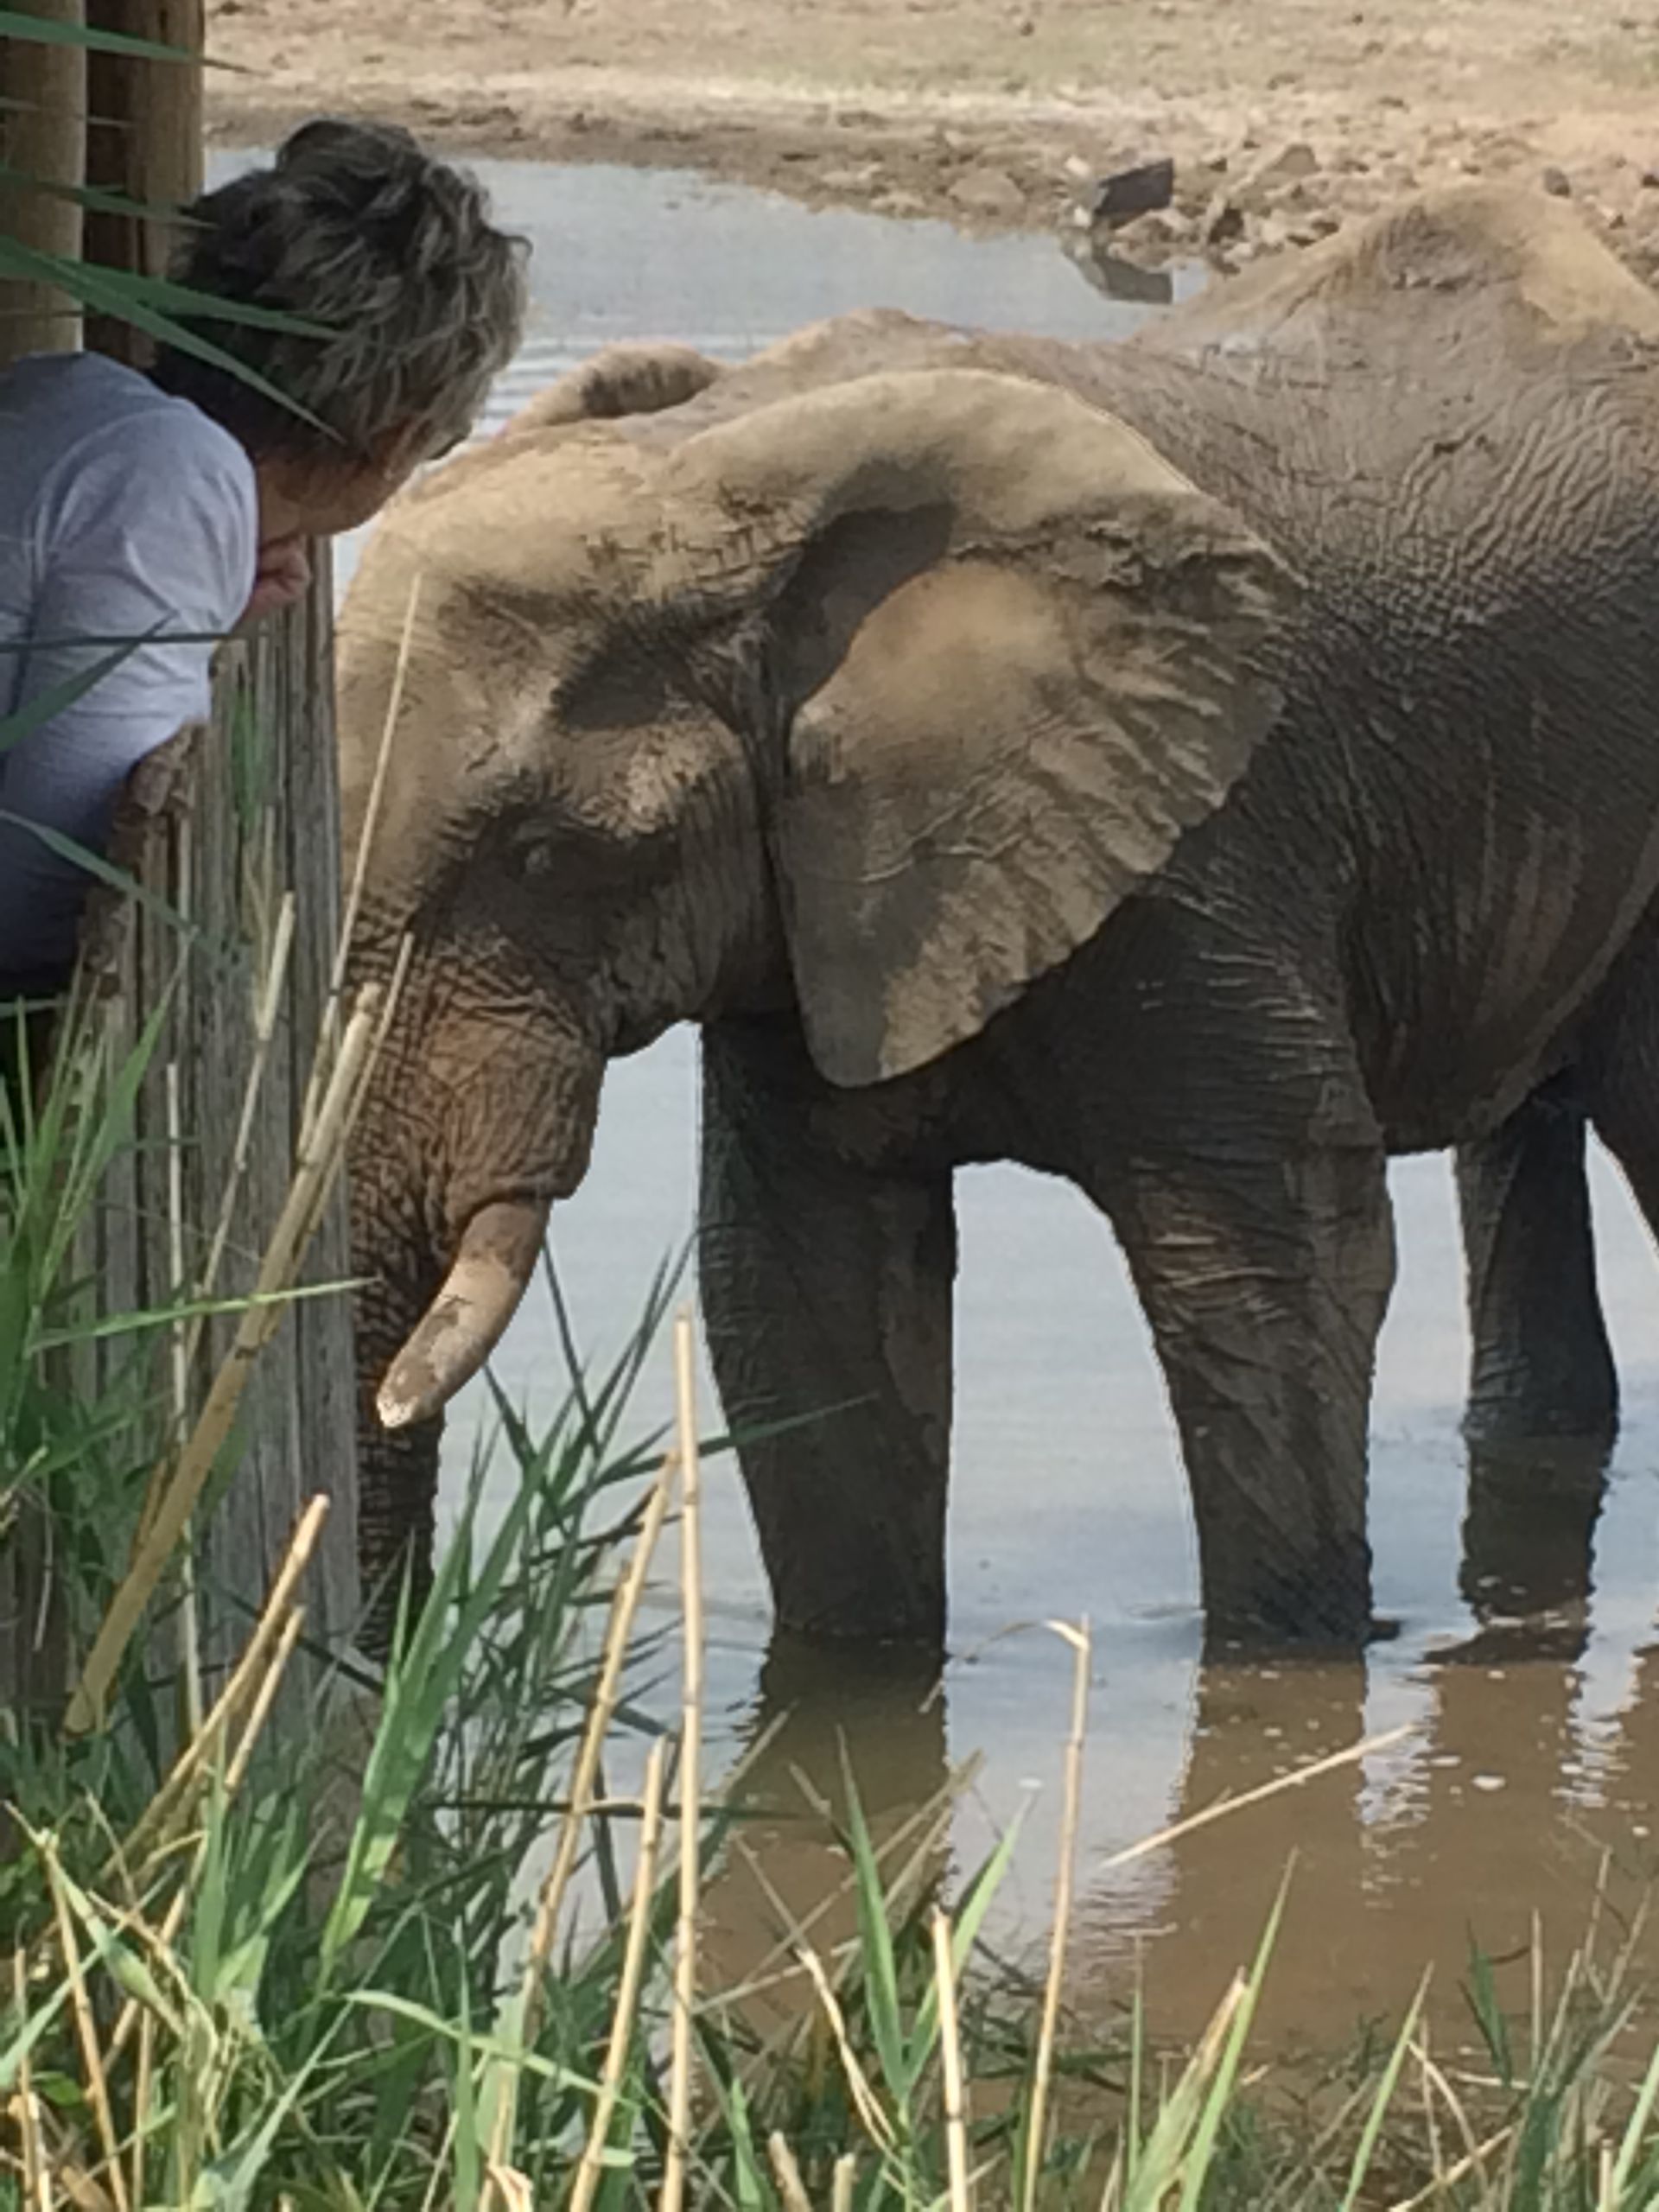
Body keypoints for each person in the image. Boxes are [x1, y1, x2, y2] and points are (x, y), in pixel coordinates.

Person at [0, 118, 527, 1012]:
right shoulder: (176, 484)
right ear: (395, 441)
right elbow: (40, 900)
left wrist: (199, 619)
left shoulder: (66, 389)